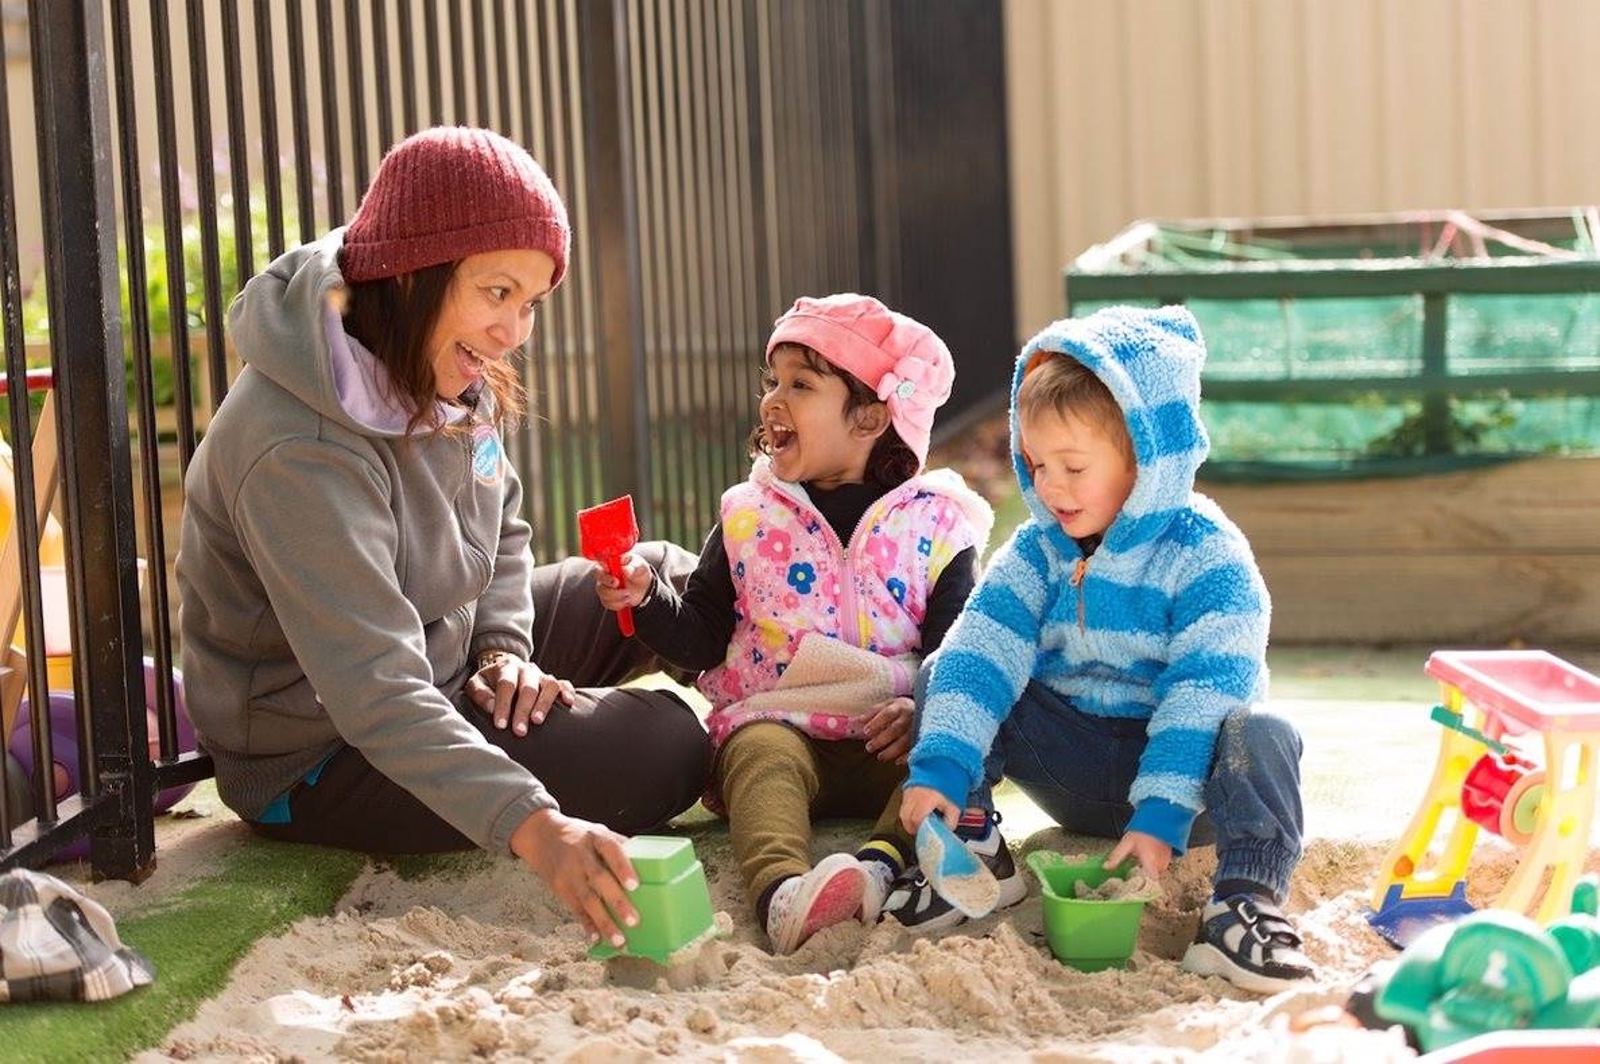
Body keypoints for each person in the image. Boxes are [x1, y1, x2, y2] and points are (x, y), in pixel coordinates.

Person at [176, 126, 710, 951]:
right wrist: (540, 829)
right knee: (666, 743)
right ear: (412, 270)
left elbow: (503, 526)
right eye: (497, 293)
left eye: (529, 303)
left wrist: (504, 651)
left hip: (446, 652)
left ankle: (815, 725)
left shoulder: (441, 359)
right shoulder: (296, 449)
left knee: (666, 579)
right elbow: (379, 694)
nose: (515, 331)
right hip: (325, 751)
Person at [895, 305, 1315, 994]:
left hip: (1190, 788)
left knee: (1263, 729)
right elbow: (982, 646)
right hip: (1075, 768)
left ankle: (1244, 903)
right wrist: (943, 765)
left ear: (1145, 460)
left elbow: (1205, 689)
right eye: (1035, 465)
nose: (1049, 487)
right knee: (953, 669)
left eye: (1073, 466)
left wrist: (1161, 814)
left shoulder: (1207, 556)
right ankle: (974, 853)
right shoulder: (1037, 552)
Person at [595, 294, 993, 953]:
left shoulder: (938, 527)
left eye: (801, 385)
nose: (773, 399)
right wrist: (644, 597)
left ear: (870, 415)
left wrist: (924, 704)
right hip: (781, 726)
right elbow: (700, 635)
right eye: (771, 381)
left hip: (886, 738)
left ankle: (878, 866)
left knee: (957, 751)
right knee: (758, 756)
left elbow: (961, 648)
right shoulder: (750, 518)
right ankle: (784, 895)